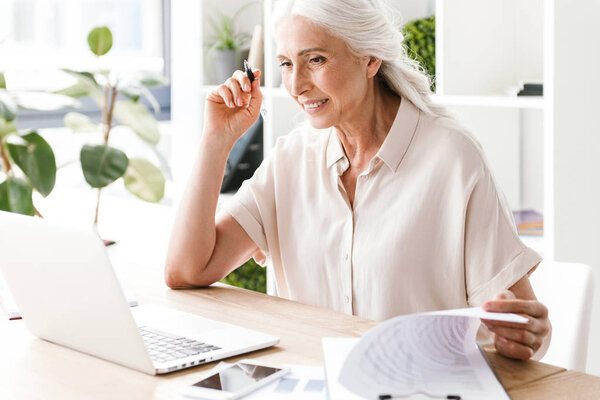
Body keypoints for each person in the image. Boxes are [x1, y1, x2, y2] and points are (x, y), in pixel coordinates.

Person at [165, 0, 551, 361]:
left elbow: (527, 329)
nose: (296, 84)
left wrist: (524, 334)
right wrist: (216, 141)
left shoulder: (453, 157)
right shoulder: (291, 158)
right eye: (285, 64)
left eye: (315, 59)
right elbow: (187, 270)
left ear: (370, 58)